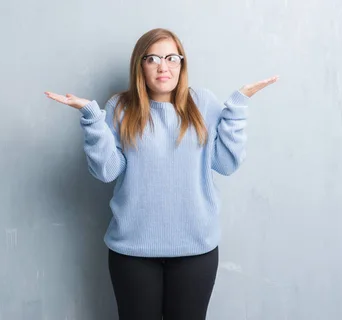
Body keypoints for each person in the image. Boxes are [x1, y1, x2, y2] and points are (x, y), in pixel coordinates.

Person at [44, 28, 278, 320]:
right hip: (133, 252)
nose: (163, 66)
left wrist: (237, 108)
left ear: (182, 64)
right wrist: (93, 119)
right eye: (152, 58)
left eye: (171, 58)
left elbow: (226, 163)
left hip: (196, 250)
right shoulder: (120, 107)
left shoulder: (203, 104)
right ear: (139, 65)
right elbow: (106, 171)